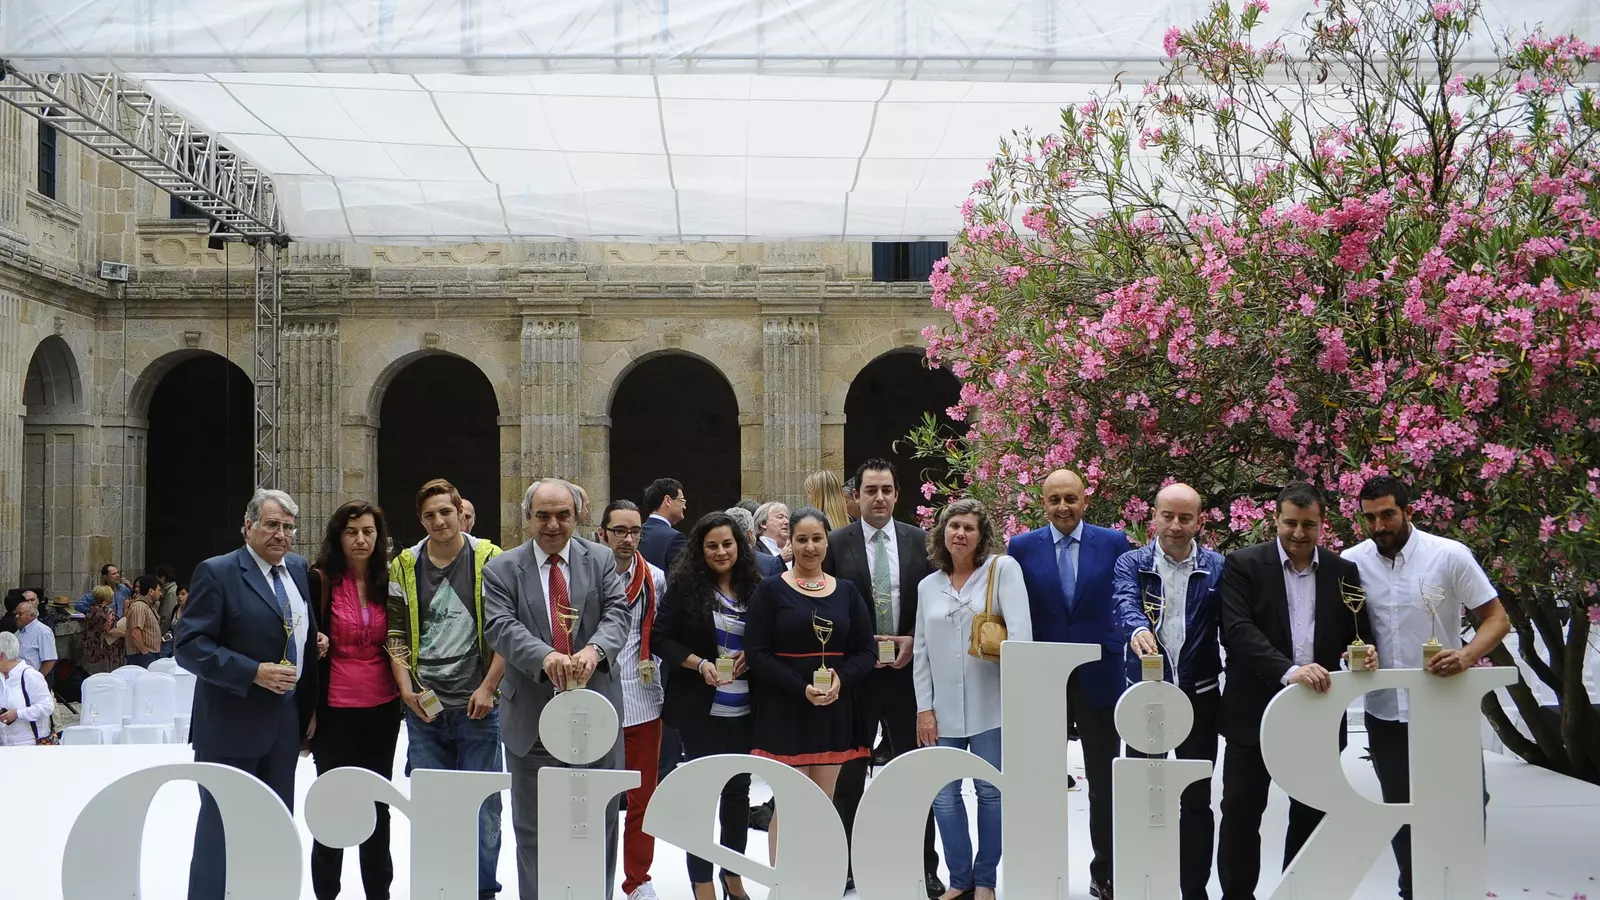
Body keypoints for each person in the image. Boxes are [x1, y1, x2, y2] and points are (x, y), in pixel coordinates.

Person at [1344, 475, 1510, 900]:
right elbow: (1344, 629)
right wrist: (1352, 653)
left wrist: (1467, 656)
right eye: (1369, 518)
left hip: (1444, 707)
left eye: (1387, 515)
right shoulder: (1350, 563)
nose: (1378, 526)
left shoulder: (1449, 555)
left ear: (1408, 511)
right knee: (1401, 808)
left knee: (1469, 802)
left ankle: (1461, 888)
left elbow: (1497, 618)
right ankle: (1414, 892)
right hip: (1385, 710)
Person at [1216, 482, 1375, 900]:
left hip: (1318, 715)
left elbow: (1357, 632)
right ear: (1275, 519)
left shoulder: (1343, 571)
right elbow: (1237, 631)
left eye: (1309, 524)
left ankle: (1299, 893)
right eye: (1291, 523)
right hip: (1252, 714)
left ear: (1322, 523)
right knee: (1241, 813)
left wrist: (1362, 653)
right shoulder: (1242, 564)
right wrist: (1289, 672)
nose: (1299, 533)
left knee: (1311, 814)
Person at [481, 478, 630, 900]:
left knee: (598, 825)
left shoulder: (600, 559)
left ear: (577, 516)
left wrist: (595, 651)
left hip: (595, 716)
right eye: (543, 515)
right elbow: (500, 626)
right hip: (532, 720)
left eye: (563, 515)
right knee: (534, 831)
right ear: (527, 518)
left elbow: (617, 614)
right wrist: (545, 657)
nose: (553, 525)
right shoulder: (501, 569)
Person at [174, 488, 319, 900]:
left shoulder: (297, 568)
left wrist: (314, 643)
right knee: (221, 831)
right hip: (229, 725)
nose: (281, 534)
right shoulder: (217, 572)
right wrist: (252, 672)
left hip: (284, 723)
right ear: (249, 526)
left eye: (288, 527)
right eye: (272, 525)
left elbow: (294, 629)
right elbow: (189, 646)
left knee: (275, 827)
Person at [1006, 468, 1129, 900]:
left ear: (1085, 500)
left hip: (1100, 675)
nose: (1063, 507)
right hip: (1044, 680)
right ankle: (1042, 869)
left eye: (1071, 498)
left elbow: (1124, 599)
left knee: (1104, 781)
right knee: (1040, 780)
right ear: (1043, 503)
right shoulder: (1021, 548)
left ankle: (1106, 872)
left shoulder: (1113, 542)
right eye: (1055, 499)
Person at [824, 459, 943, 895]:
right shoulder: (835, 544)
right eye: (871, 490)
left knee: (917, 773)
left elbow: (933, 604)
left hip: (908, 677)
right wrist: (857, 647)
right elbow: (827, 606)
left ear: (897, 494)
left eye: (886, 490)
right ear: (855, 496)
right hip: (857, 677)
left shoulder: (920, 542)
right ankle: (846, 864)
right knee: (849, 775)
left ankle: (924, 865)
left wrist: (912, 637)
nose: (879, 498)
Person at [386, 478, 506, 900]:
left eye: (445, 512)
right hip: (425, 708)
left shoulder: (490, 558)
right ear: (421, 520)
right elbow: (396, 632)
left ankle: (483, 890)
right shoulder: (404, 564)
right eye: (429, 515)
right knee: (432, 807)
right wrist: (406, 691)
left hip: (478, 704)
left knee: (484, 807)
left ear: (461, 513)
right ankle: (439, 889)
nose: (439, 520)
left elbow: (506, 629)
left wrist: (489, 687)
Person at [744, 507, 877, 884]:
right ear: (790, 542)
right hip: (785, 709)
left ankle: (817, 884)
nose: (810, 546)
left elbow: (866, 651)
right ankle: (784, 886)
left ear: (827, 542)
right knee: (789, 803)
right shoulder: (770, 590)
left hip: (833, 708)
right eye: (801, 539)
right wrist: (799, 687)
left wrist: (841, 679)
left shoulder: (846, 592)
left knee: (822, 803)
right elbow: (756, 653)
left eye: (817, 538)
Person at [913, 499, 1033, 900]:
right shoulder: (927, 586)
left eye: (969, 527)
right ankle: (959, 880)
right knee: (943, 796)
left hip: (992, 705)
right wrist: (924, 708)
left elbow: (1021, 637)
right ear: (941, 533)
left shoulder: (1002, 570)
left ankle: (985, 882)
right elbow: (920, 652)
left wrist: (1019, 701)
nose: (960, 533)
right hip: (941, 711)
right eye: (953, 526)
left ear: (981, 536)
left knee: (990, 792)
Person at [1111, 483, 1226, 900]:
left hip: (1200, 696)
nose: (1176, 525)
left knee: (1196, 800)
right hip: (1146, 699)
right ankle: (1145, 887)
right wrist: (1137, 629)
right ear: (1153, 517)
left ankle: (1193, 890)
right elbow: (1123, 602)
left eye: (1185, 517)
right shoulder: (1132, 562)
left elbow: (1233, 626)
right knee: (1145, 798)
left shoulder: (1218, 567)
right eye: (1168, 516)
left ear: (1199, 520)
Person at [652, 512, 763, 900]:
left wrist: (754, 655)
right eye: (712, 545)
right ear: (700, 549)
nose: (720, 552)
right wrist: (699, 664)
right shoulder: (684, 586)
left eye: (727, 544)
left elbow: (770, 637)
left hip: (747, 709)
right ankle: (702, 884)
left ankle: (733, 877)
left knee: (737, 795)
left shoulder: (756, 587)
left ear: (739, 546)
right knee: (701, 799)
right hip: (701, 711)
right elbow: (660, 638)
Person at [308, 500, 403, 900]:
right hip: (335, 710)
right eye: (351, 532)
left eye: (368, 531)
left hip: (383, 708)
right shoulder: (319, 580)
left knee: (378, 804)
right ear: (338, 537)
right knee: (332, 802)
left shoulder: (390, 579)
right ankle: (326, 892)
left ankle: (378, 892)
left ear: (379, 537)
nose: (360, 539)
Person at [596, 499, 669, 900]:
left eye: (635, 531)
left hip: (642, 696)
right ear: (602, 533)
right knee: (595, 795)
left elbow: (662, 633)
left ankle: (637, 879)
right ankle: (593, 874)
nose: (627, 539)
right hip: (595, 698)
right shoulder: (587, 575)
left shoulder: (655, 577)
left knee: (643, 797)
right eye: (619, 531)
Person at [0, 631, 54, 746]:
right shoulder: (1, 678)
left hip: (30, 744)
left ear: (1, 656)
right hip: (5, 744)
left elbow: (47, 706)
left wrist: (18, 713)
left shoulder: (30, 675)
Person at [641, 478, 689, 572]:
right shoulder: (676, 538)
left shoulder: (636, 533)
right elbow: (681, 576)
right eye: (682, 501)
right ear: (667, 500)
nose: (684, 507)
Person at [727, 506, 784, 577]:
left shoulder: (719, 560)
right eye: (780, 517)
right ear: (750, 534)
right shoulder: (770, 563)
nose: (786, 522)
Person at [80, 585, 123, 675]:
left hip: (91, 648)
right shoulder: (108, 612)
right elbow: (110, 630)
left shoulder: (91, 610)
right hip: (106, 650)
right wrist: (125, 633)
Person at [124, 575, 165, 667]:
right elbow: (135, 633)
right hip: (142, 655)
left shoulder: (148, 606)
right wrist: (145, 652)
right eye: (159, 590)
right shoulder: (139, 606)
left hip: (149, 653)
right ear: (151, 591)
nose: (161, 594)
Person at [13, 598, 57, 678]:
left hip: (32, 680)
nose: (16, 616)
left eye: (20, 614)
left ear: (31, 616)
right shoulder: (18, 632)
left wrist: (37, 679)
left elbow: (49, 660)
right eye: (15, 614)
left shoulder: (43, 632)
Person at [805, 470, 852, 536]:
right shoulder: (851, 521)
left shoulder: (816, 524)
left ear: (820, 495)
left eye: (809, 492)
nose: (808, 497)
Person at [752, 502, 791, 567]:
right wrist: (780, 559)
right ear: (763, 523)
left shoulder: (795, 547)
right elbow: (759, 571)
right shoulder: (754, 550)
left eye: (786, 518)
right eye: (780, 517)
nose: (787, 522)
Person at [155, 564, 180, 633]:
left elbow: (168, 615)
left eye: (158, 578)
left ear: (163, 578)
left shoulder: (171, 592)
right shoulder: (168, 591)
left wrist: (162, 632)